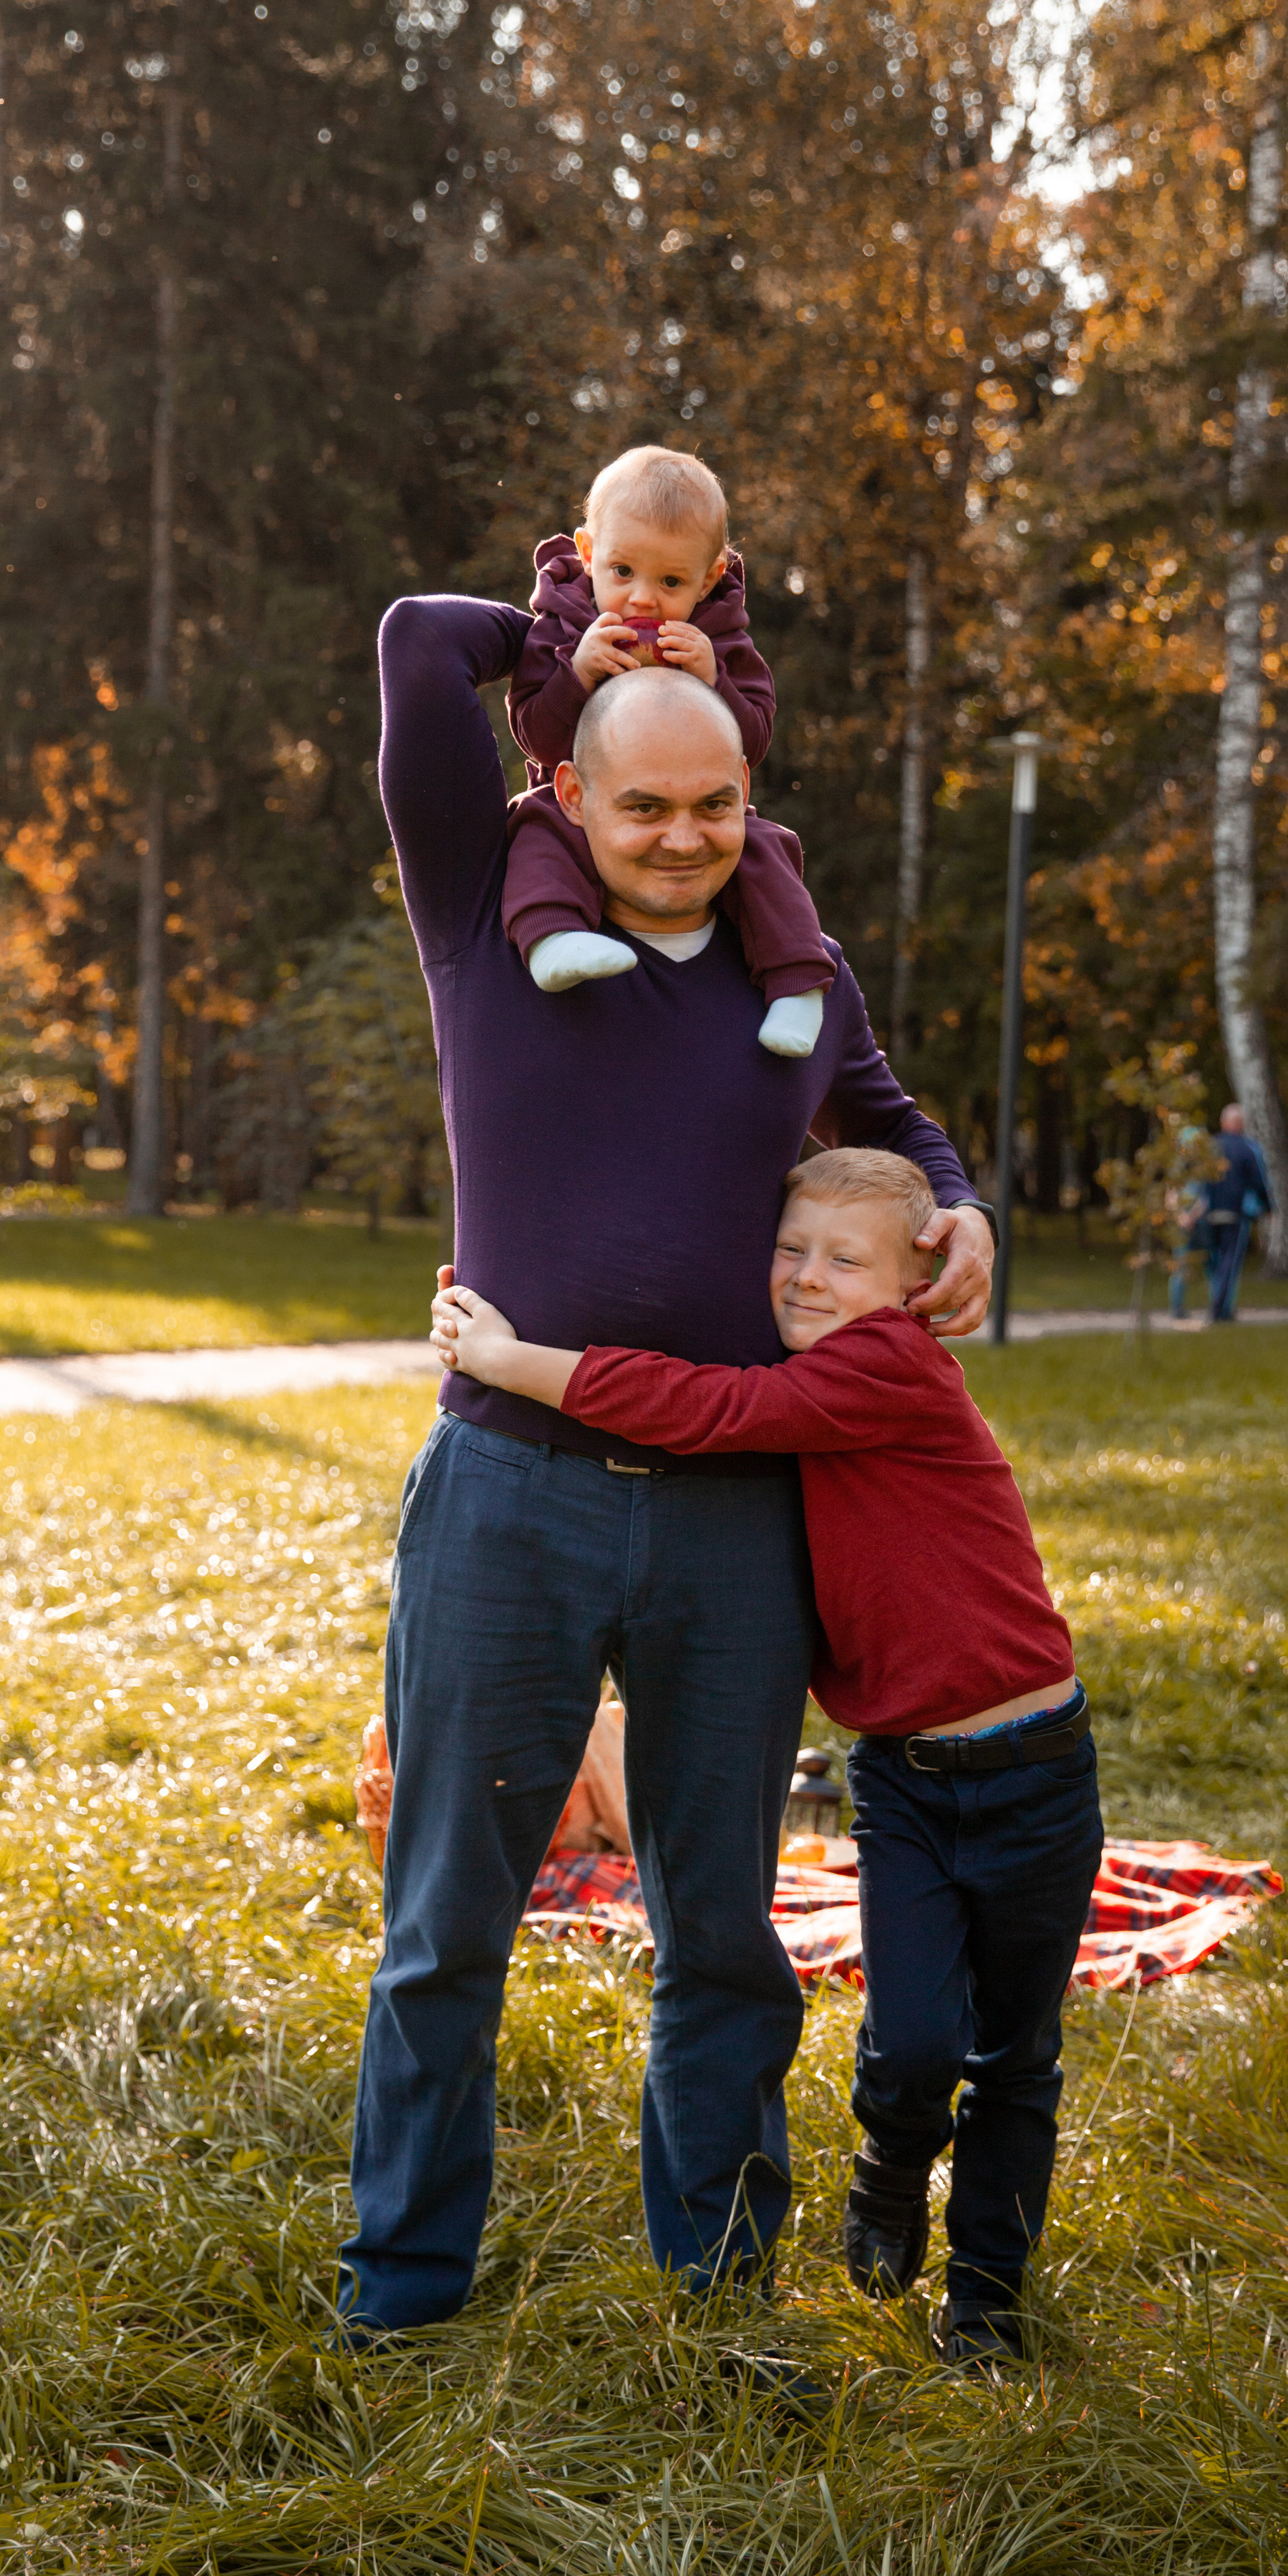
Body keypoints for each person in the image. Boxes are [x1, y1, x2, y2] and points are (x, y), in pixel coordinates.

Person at [339, 601, 996, 2338]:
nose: (686, 837)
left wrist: (965, 1205)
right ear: (565, 786)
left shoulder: (796, 975)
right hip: (510, 1490)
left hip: (733, 1517)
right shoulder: (482, 910)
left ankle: (712, 2283)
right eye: (644, 807)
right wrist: (591, 624)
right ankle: (400, 2288)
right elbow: (415, 648)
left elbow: (896, 1121)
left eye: (716, 804)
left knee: (722, 1932)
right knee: (444, 1928)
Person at [430, 1145, 1103, 2371]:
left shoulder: (885, 1365)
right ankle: (892, 2168)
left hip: (1033, 1771)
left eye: (844, 1260)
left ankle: (989, 2310)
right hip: (901, 1781)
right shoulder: (820, 1366)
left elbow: (711, 1409)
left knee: (1017, 2053)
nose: (804, 1277)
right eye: (789, 1249)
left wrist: (506, 1363)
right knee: (909, 2052)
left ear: (912, 1287)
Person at [504, 444, 835, 1057]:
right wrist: (574, 675)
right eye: (623, 572)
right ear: (587, 553)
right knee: (535, 829)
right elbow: (535, 735)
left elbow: (755, 738)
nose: (643, 600)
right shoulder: (564, 625)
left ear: (710, 576)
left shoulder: (722, 637)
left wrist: (717, 680)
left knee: (765, 852)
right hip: (583, 803)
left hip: (696, 798)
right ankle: (553, 940)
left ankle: (797, 985)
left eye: (672, 581)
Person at [1202, 1103, 1274, 1323]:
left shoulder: (1209, 1147)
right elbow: (1259, 1181)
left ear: (1224, 1123)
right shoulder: (1248, 1147)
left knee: (1213, 1261)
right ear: (1241, 1124)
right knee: (1229, 1262)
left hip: (1209, 1212)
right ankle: (1220, 1309)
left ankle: (1218, 1303)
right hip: (1235, 1213)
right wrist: (1268, 1208)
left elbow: (1199, 1181)